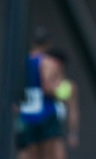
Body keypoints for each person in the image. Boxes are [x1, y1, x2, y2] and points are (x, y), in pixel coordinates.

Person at [15, 27, 65, 159]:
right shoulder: (47, 62)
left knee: (30, 153)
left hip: (27, 115)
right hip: (46, 113)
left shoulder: (22, 62)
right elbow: (48, 87)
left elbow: (17, 87)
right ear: (48, 43)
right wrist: (61, 91)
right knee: (48, 154)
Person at [47, 48, 80, 157]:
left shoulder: (68, 86)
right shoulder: (42, 83)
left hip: (55, 131)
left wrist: (73, 133)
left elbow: (73, 111)